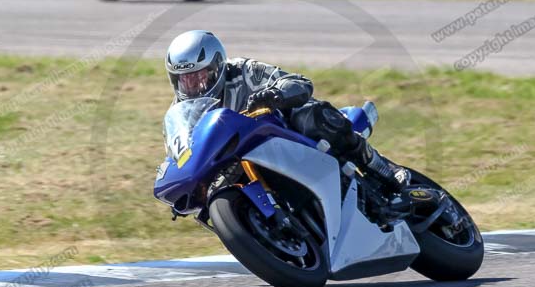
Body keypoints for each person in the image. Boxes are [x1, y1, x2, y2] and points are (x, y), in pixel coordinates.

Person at [164, 30, 409, 193]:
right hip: (239, 163)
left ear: (218, 66)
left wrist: (276, 94)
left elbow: (298, 82)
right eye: (185, 80)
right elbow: (181, 154)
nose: (193, 85)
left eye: (199, 77)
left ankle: (382, 168)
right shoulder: (179, 112)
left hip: (282, 137)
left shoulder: (242, 70)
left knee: (312, 115)